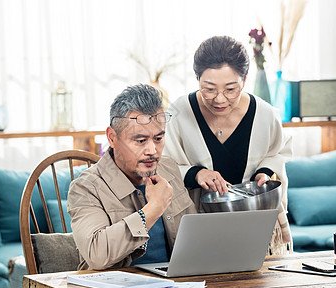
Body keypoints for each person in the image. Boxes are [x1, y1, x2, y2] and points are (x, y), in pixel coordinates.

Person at [163, 36, 293, 254]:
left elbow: (278, 152)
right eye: (209, 89)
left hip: (254, 226)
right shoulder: (178, 113)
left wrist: (265, 172)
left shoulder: (265, 115)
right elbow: (161, 165)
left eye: (231, 89)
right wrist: (196, 174)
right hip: (199, 228)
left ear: (245, 79)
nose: (220, 99)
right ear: (197, 80)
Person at [67, 84, 198, 270]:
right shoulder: (86, 188)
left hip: (178, 287)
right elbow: (97, 255)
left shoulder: (168, 168)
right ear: (112, 138)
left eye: (159, 139)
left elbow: (195, 236)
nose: (152, 151)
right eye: (141, 141)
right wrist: (153, 209)